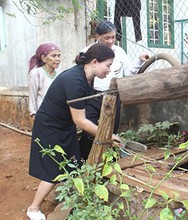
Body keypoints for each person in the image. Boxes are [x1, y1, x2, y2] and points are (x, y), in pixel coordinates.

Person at [27, 43, 117, 220]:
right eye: (108, 65)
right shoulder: (74, 80)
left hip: (64, 125)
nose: (109, 70)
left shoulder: (87, 77)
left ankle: (69, 197)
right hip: (50, 126)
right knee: (54, 168)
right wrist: (107, 135)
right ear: (94, 62)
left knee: (72, 162)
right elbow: (80, 119)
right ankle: (34, 208)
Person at [79, 20, 149, 160]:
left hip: (113, 96)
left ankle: (107, 161)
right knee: (90, 129)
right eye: (107, 37)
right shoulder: (87, 52)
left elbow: (128, 72)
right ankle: (84, 160)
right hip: (92, 96)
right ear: (97, 36)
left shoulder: (119, 52)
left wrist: (139, 60)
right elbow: (81, 76)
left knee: (111, 129)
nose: (111, 41)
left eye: (113, 37)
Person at [28, 43, 61, 117]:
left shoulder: (60, 75)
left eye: (58, 56)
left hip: (58, 115)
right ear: (44, 58)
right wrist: (33, 114)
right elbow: (33, 95)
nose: (57, 59)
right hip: (43, 115)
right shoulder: (36, 73)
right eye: (53, 56)